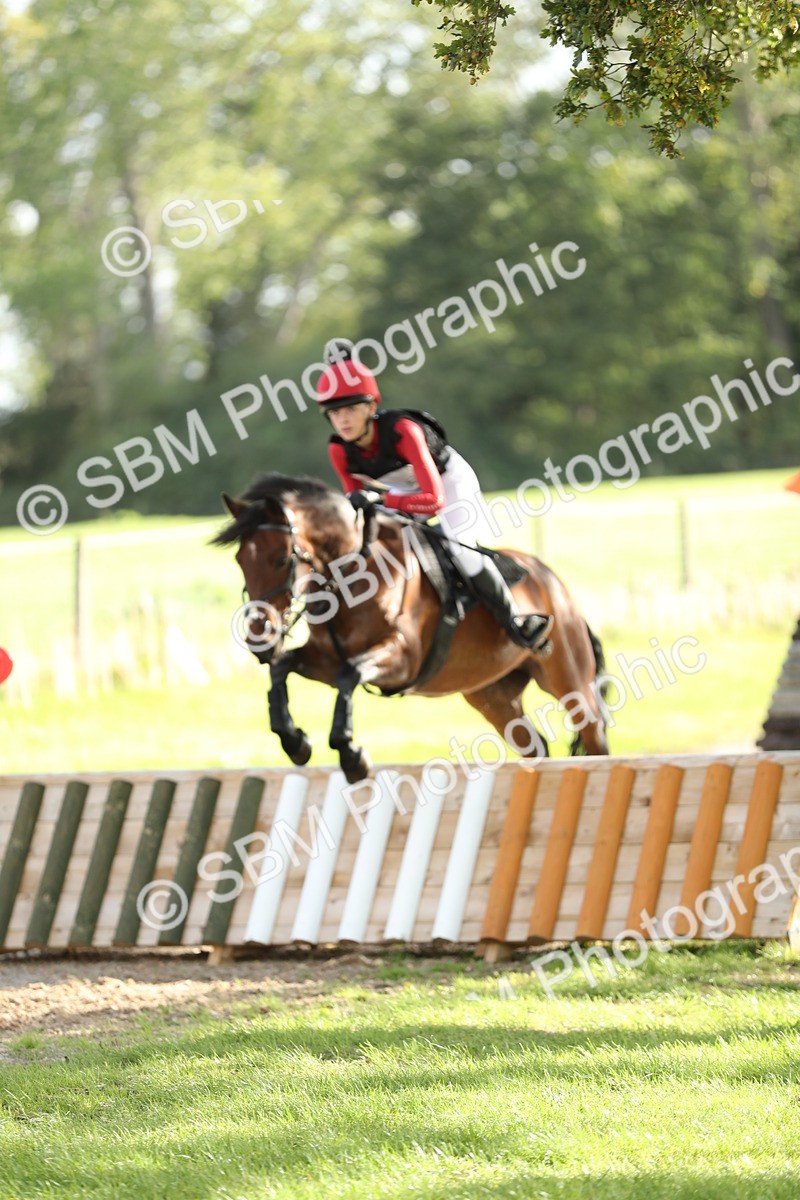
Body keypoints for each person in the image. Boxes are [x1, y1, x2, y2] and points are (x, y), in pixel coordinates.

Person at [315, 338, 552, 651]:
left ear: (371, 407)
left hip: (449, 483)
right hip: (402, 493)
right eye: (334, 413)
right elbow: (359, 507)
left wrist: (383, 501)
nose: (342, 420)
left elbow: (433, 501)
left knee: (463, 552)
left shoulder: (403, 430)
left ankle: (516, 623)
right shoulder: (338, 450)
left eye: (350, 410)